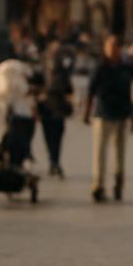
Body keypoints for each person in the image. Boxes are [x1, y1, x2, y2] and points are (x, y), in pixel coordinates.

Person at [83, 35, 133, 203]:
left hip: (121, 115)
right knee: (100, 153)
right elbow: (90, 90)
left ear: (119, 49)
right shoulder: (100, 67)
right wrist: (86, 112)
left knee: (120, 154)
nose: (111, 49)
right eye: (109, 46)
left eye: (115, 46)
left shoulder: (125, 67)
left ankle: (118, 185)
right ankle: (98, 186)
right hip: (103, 114)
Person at [38, 41, 73, 178]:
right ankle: (52, 160)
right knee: (48, 135)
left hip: (58, 107)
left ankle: (55, 161)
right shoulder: (43, 70)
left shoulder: (63, 72)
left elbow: (68, 89)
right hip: (46, 106)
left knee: (57, 136)